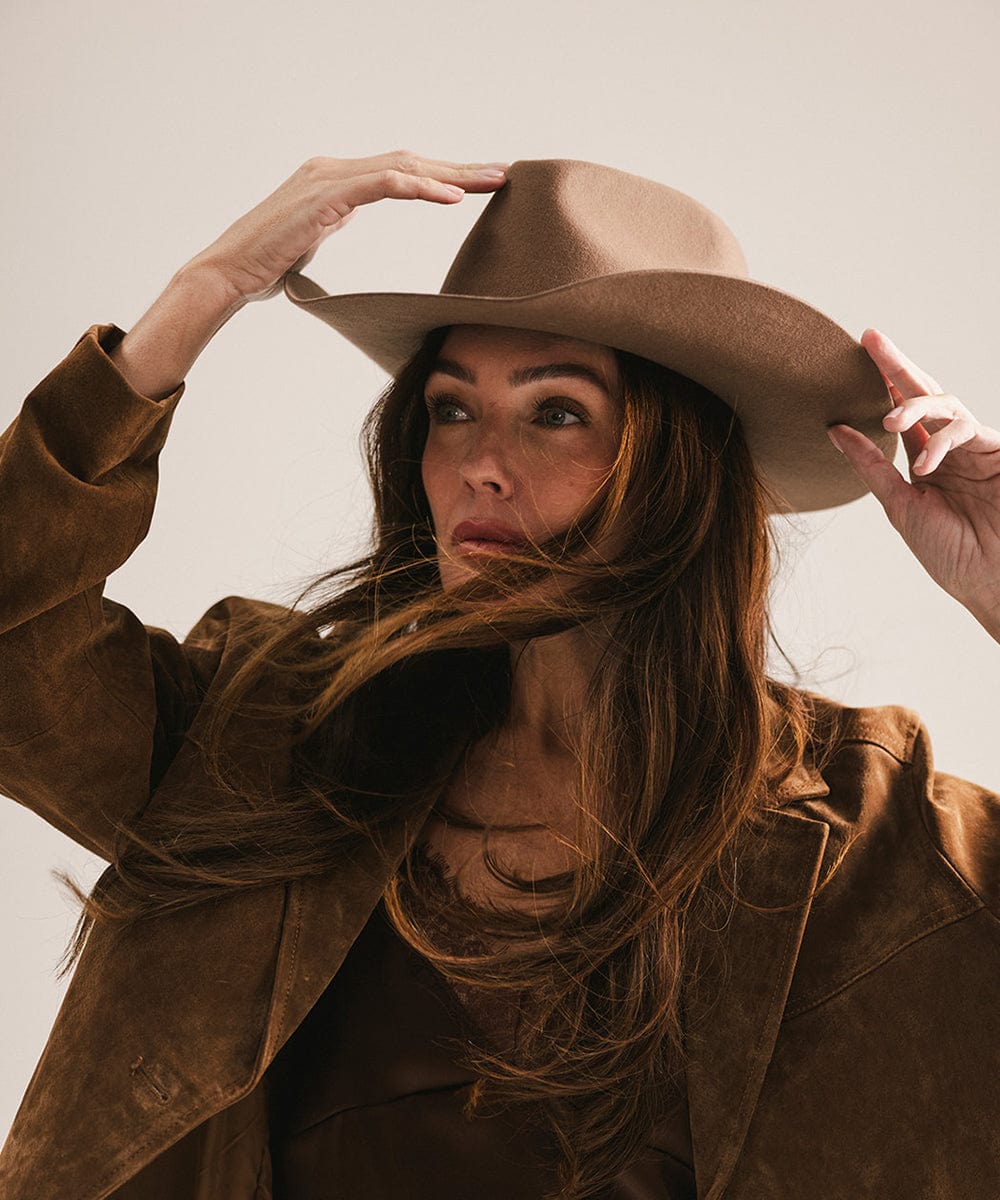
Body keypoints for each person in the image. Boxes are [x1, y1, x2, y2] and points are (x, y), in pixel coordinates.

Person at [0, 151, 998, 1200]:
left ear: (680, 468)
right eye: (448, 408)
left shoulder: (869, 843)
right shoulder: (274, 744)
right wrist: (198, 301)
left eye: (555, 410)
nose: (479, 460)